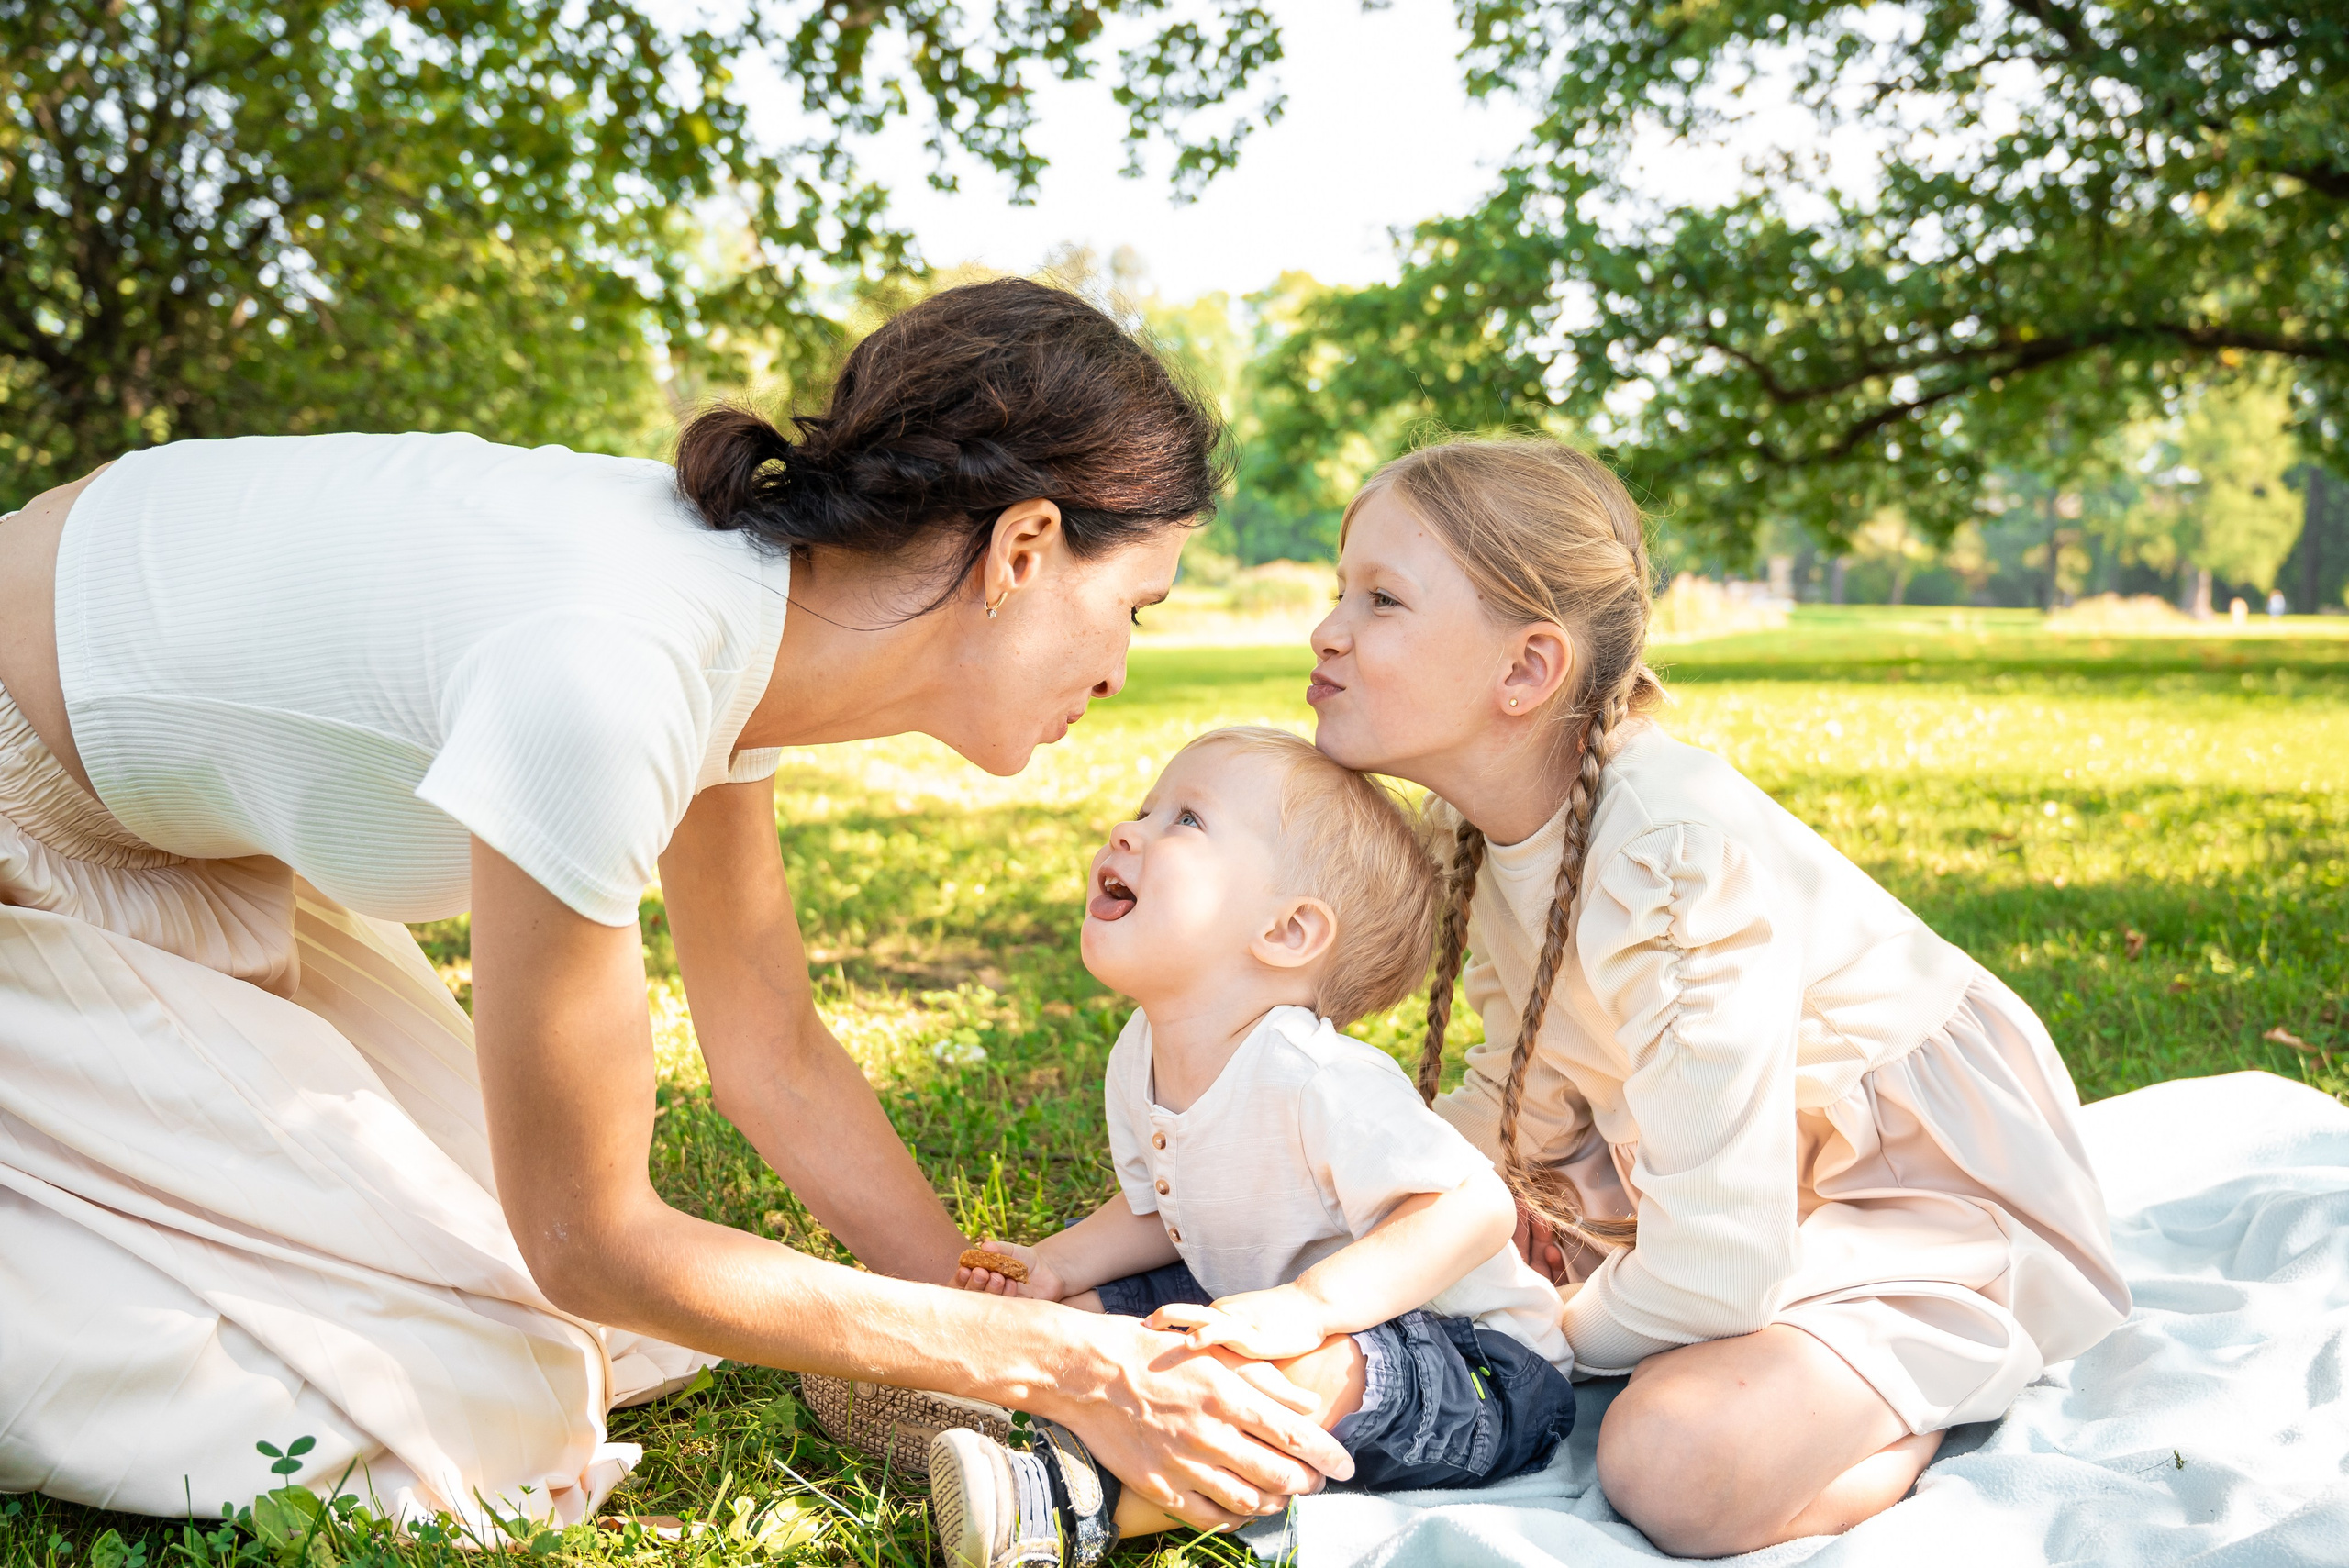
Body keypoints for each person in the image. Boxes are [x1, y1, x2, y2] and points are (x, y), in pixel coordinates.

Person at [0, 280, 1349, 1528]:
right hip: (25, 822)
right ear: (1024, 548)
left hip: (202, 848)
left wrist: (976, 1330)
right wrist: (1071, 1361)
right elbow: (591, 1232)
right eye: (1137, 608)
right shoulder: (612, 668)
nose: (1120, 668)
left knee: (607, 1327)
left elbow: (769, 1052)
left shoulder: (747, 619)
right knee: (498, 1384)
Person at [1306, 437, 2132, 1557]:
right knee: (1352, 1257)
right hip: (1742, 1184)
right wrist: (1345, 1186)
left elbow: (1719, 1262)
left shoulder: (1671, 854)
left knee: (1672, 1460)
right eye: (1336, 590)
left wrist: (1549, 1329)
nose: (1327, 630)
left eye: (1382, 599)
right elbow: (1517, 1095)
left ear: (1525, 669)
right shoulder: (1490, 828)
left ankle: (1910, 1398)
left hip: (1912, 1194)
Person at [934, 728, 1575, 1567]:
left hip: (1479, 1365)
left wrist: (1308, 1305)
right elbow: (1163, 1210)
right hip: (1270, 1297)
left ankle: (1075, 1501)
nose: (1129, 832)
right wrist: (1055, 1266)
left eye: (1187, 821)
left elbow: (1475, 1205)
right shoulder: (1142, 1051)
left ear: (1288, 930)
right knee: (1124, 1311)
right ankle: (1004, 1382)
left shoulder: (1317, 1076)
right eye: (1143, 810)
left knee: (1300, 1372)